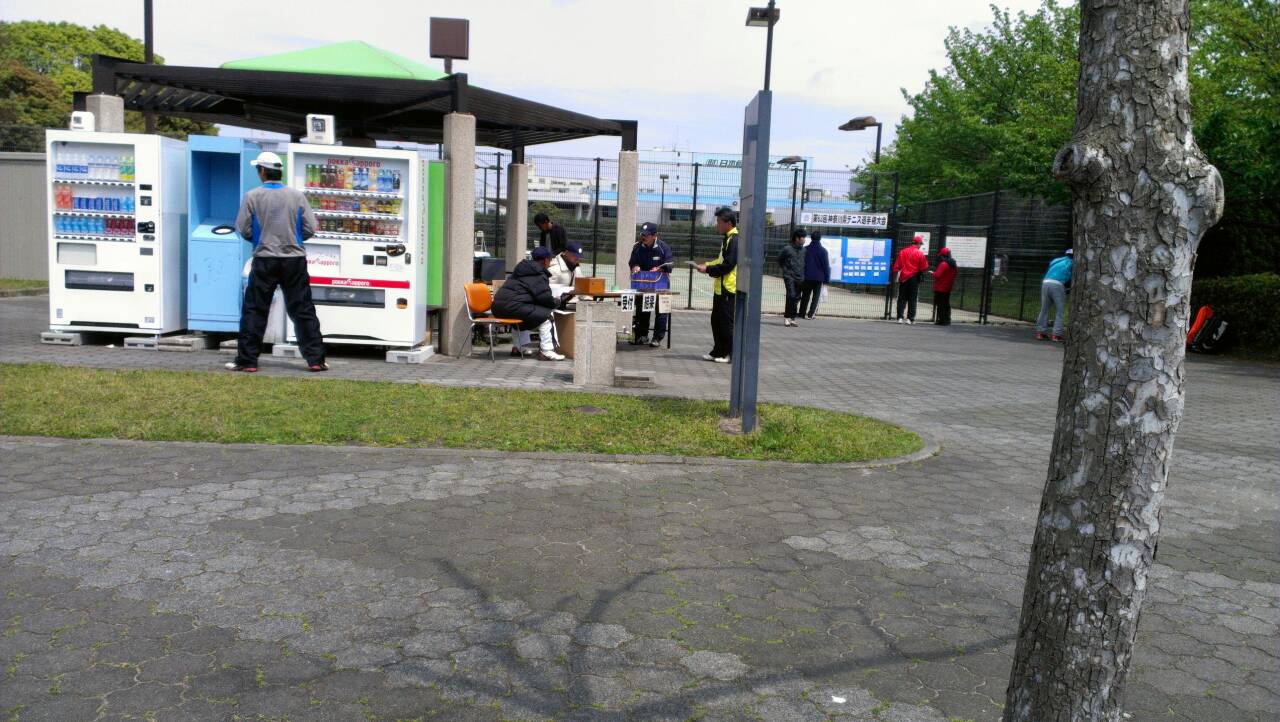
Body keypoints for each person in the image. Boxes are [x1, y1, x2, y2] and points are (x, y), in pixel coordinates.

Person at [226, 151, 326, 373]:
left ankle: (248, 361)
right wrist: (292, 240)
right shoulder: (297, 196)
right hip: (294, 260)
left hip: (264, 259)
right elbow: (310, 228)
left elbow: (242, 227)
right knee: (302, 309)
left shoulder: (252, 196)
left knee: (255, 309)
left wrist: (260, 239)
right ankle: (316, 360)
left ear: (262, 171)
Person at [493, 246, 565, 360]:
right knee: (547, 316)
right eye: (550, 260)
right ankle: (547, 351)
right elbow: (545, 298)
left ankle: (518, 348)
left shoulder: (520, 271)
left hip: (498, 308)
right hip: (513, 307)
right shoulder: (538, 273)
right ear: (545, 260)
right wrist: (557, 302)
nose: (550, 262)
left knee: (524, 316)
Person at [696, 207, 738, 363]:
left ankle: (729, 354)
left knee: (726, 323)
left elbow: (728, 265)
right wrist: (707, 265)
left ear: (728, 223)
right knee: (716, 321)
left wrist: (708, 269)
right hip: (720, 288)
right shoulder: (727, 238)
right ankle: (718, 351)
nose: (717, 225)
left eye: (719, 221)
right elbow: (720, 261)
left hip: (728, 288)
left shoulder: (734, 240)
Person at [629, 222, 674, 347]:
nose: (643, 237)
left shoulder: (663, 247)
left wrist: (660, 269)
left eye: (646, 235)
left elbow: (670, 264)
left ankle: (657, 338)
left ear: (654, 235)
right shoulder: (637, 247)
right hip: (644, 284)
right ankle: (642, 335)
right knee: (643, 309)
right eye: (642, 234)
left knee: (662, 311)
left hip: (661, 285)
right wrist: (635, 266)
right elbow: (632, 262)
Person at [1035, 248, 1073, 341]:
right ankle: (1056, 335)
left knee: (1044, 309)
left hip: (1046, 282)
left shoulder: (1056, 260)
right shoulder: (1072, 262)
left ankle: (1040, 333)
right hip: (1058, 284)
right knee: (1060, 310)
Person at [893, 235, 929, 324]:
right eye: (920, 244)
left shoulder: (902, 252)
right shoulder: (920, 254)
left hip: (904, 277)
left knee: (902, 298)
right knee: (912, 299)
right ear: (918, 243)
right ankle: (910, 319)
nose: (920, 246)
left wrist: (895, 276)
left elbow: (897, 266)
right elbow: (924, 267)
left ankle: (899, 318)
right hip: (914, 278)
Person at [778, 228, 806, 326]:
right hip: (789, 276)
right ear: (797, 238)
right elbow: (780, 260)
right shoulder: (787, 249)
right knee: (791, 295)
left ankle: (793, 318)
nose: (804, 239)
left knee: (797, 297)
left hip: (800, 277)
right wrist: (786, 270)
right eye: (802, 237)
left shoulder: (804, 250)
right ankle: (787, 317)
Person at [799, 230, 830, 320]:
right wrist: (826, 279)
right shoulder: (823, 251)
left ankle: (802, 313)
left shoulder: (805, 249)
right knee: (816, 297)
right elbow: (826, 266)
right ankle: (811, 314)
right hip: (819, 278)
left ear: (811, 238)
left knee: (805, 296)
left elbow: (801, 263)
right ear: (820, 239)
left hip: (807, 276)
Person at [931, 247, 958, 326]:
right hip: (948, 287)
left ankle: (942, 320)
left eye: (941, 256)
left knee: (940, 304)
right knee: (946, 304)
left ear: (943, 256)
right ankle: (947, 319)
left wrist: (932, 273)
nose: (941, 257)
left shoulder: (943, 264)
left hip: (940, 287)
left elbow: (937, 275)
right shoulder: (954, 265)